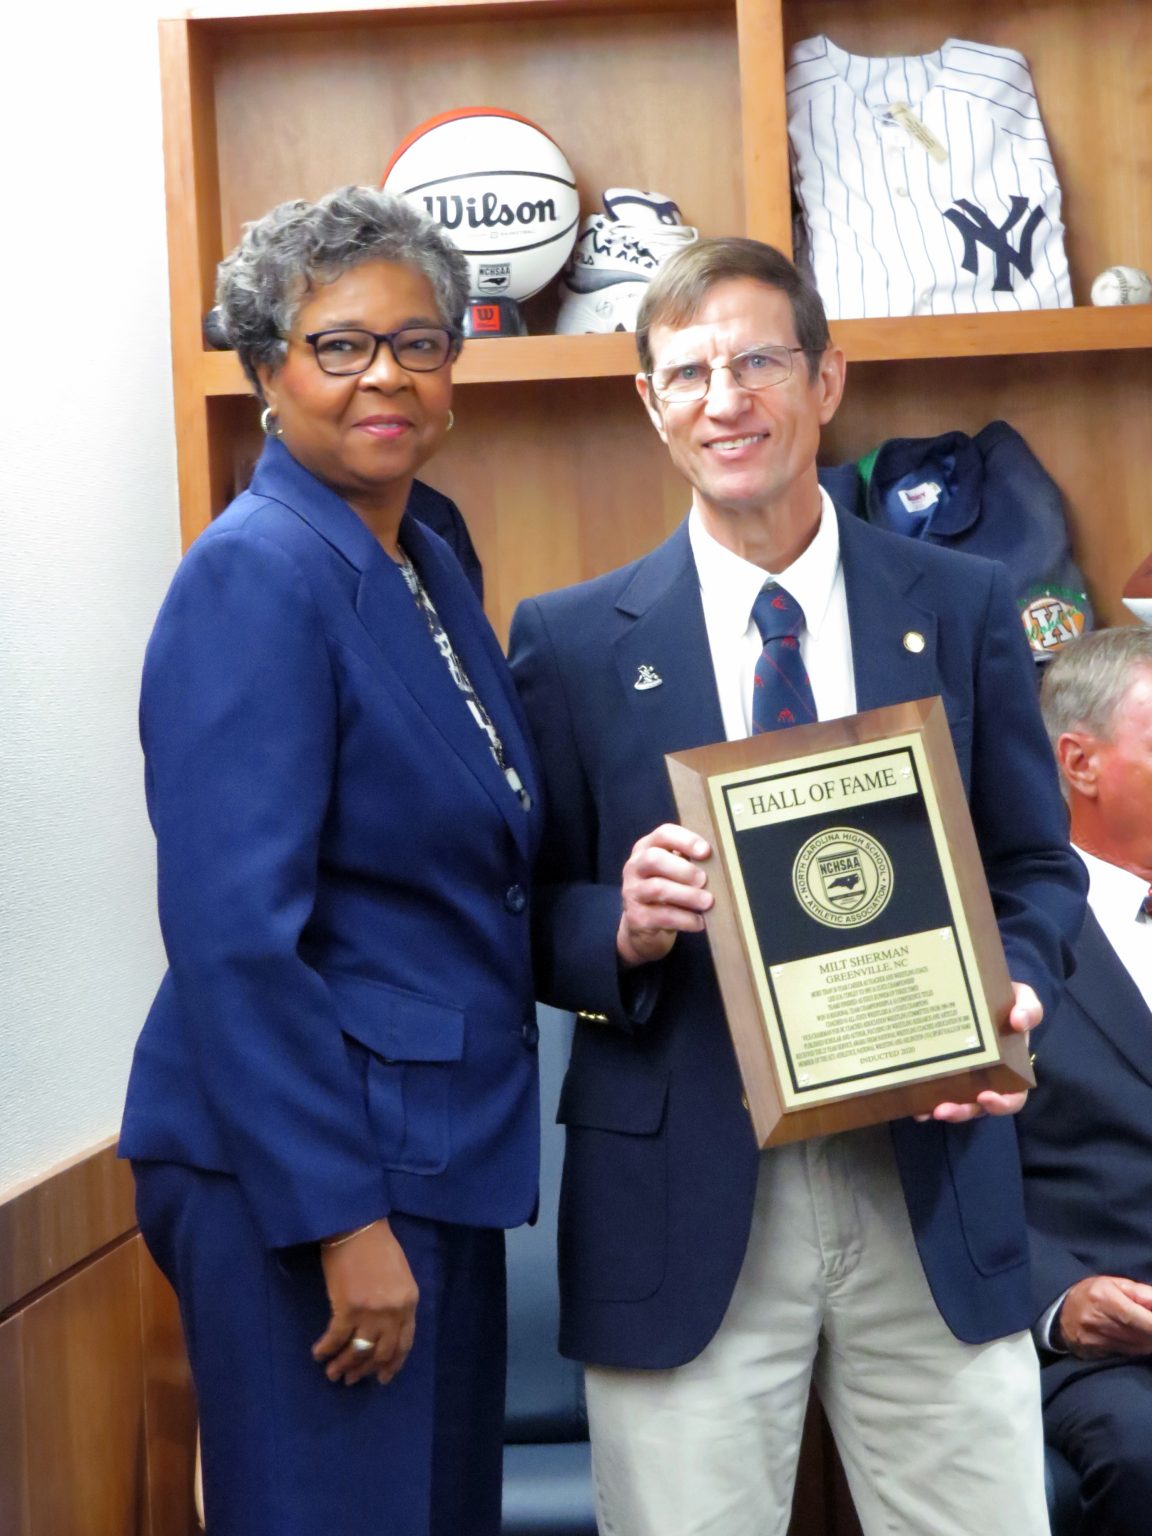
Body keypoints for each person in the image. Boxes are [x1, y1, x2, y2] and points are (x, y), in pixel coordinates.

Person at [507, 237, 1086, 1536]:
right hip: (683, 1199)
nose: (726, 400)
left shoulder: (964, 603)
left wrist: (1014, 991)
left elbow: (1036, 868)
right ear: (650, 404)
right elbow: (524, 914)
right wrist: (622, 925)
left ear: (826, 380)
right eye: (689, 373)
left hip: (930, 1171)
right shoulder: (570, 642)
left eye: (759, 361)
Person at [119, 186, 543, 1536]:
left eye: (418, 343)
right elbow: (234, 936)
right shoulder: (255, 573)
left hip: (432, 1153)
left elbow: (475, 865)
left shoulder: (426, 549)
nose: (386, 377)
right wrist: (341, 1223)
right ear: (266, 369)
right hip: (309, 1179)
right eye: (340, 345)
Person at [1018, 626, 1152, 1536]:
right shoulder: (1007, 938)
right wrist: (1062, 1302)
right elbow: (949, 1172)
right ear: (1080, 763)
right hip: (1105, 1350)